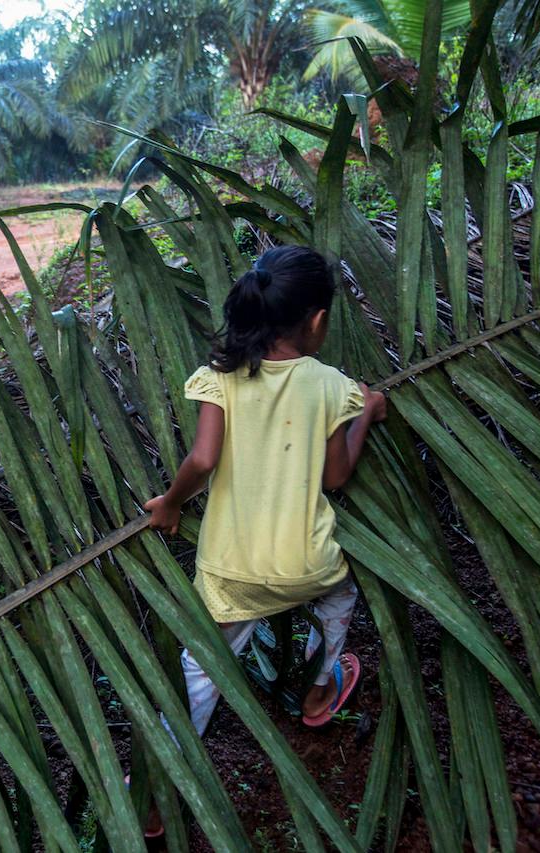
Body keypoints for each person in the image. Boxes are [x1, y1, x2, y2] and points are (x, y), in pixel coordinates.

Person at [144, 245, 388, 742]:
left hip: (230, 575)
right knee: (340, 596)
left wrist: (171, 503)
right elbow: (335, 477)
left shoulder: (219, 378)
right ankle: (319, 693)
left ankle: (159, 792)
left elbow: (204, 460)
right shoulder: (330, 384)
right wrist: (365, 412)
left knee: (202, 667)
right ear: (318, 321)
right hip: (307, 566)